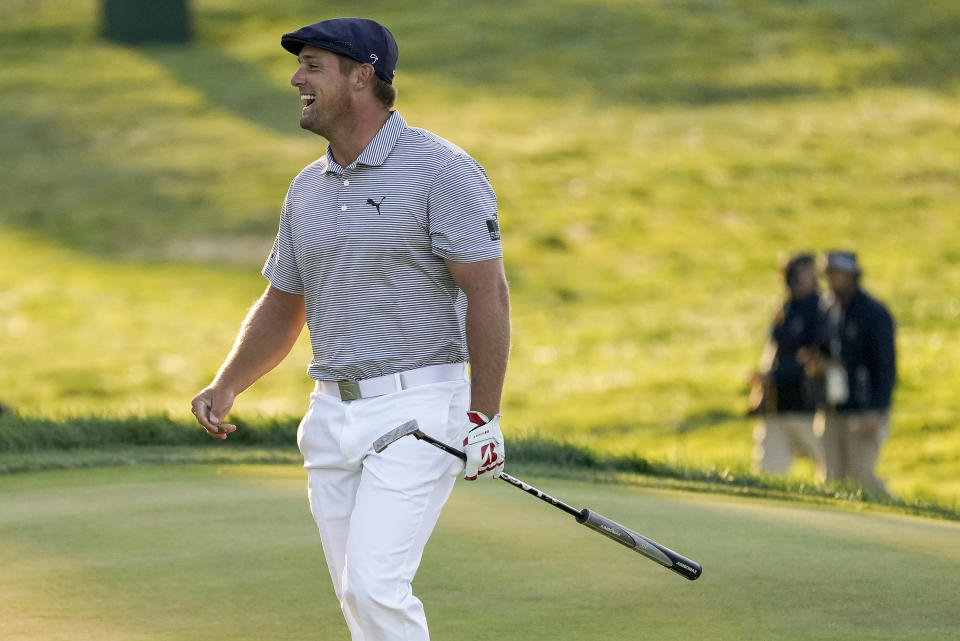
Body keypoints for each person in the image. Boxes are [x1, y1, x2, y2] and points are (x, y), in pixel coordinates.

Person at [190, 18, 510, 641]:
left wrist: (484, 416)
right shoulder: (308, 188)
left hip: (417, 410)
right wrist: (228, 384)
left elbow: (487, 293)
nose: (295, 78)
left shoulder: (441, 169)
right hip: (331, 416)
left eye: (312, 65)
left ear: (362, 75)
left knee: (374, 586)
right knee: (356, 600)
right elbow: (284, 303)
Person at [816, 251, 896, 494]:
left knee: (861, 475)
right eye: (830, 275)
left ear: (853, 276)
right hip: (832, 405)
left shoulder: (874, 313)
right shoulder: (828, 308)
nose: (834, 281)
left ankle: (893, 517)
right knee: (832, 477)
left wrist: (876, 408)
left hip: (864, 409)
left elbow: (885, 366)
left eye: (839, 275)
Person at [750, 253, 825, 476]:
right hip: (778, 406)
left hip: (809, 406)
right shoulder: (785, 309)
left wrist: (775, 375)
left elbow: (813, 358)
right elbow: (774, 352)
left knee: (833, 471)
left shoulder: (822, 310)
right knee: (768, 472)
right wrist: (763, 387)